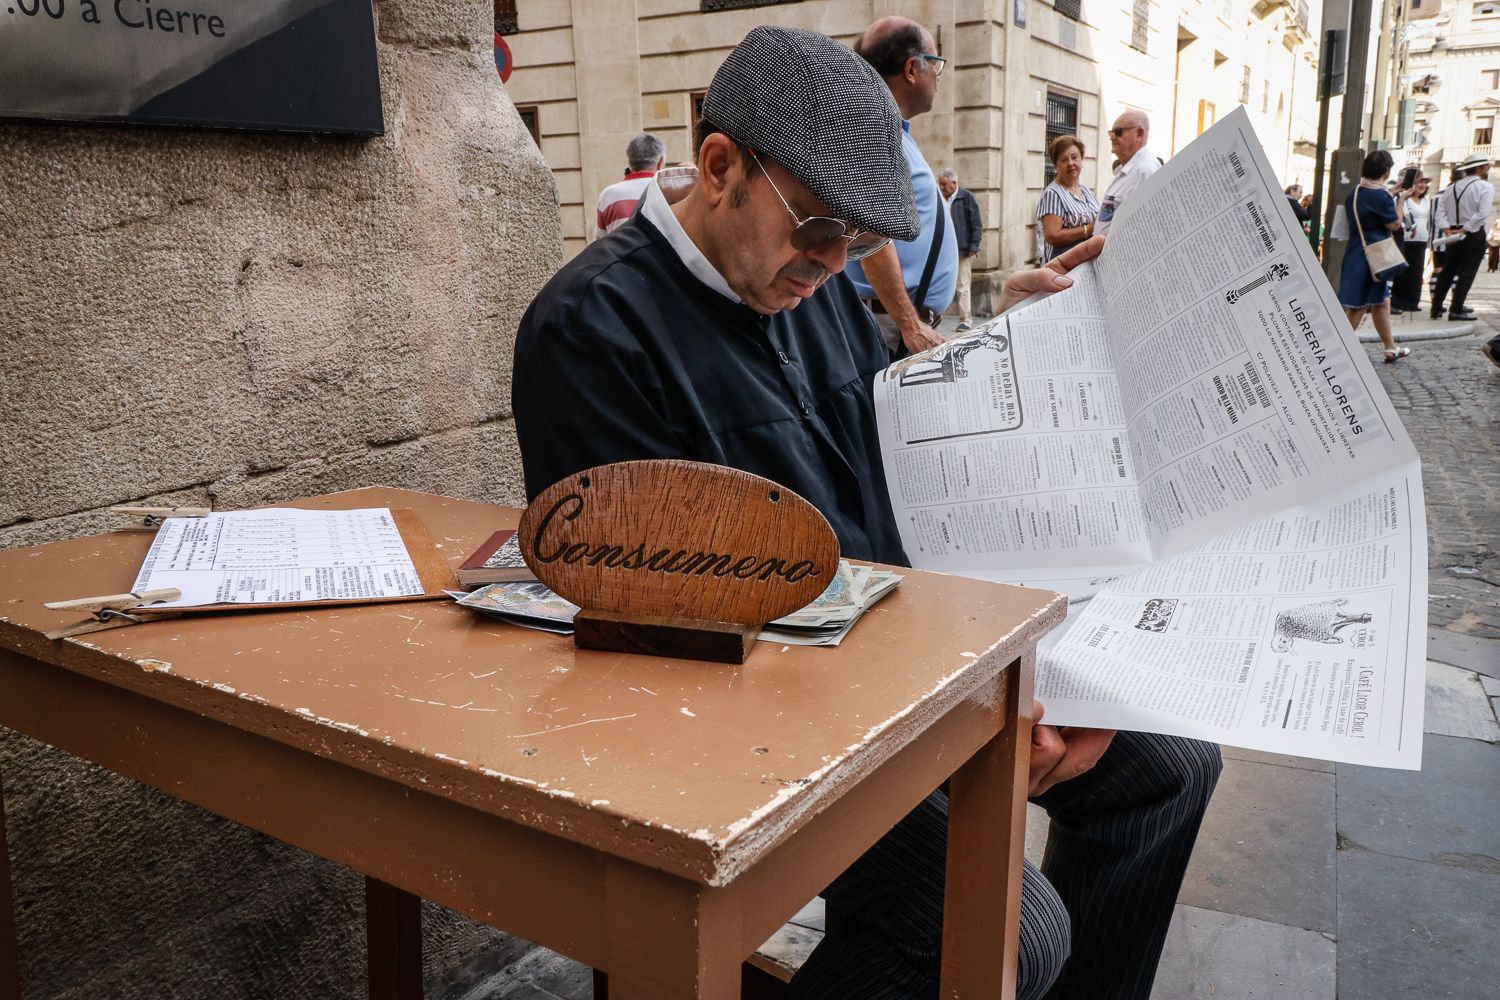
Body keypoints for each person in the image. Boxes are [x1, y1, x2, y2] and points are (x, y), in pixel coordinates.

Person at [512, 24, 1221, 1000]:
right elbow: (679, 634)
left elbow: (888, 443)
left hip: (897, 650)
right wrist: (970, 710)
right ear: (720, 166)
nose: (834, 261)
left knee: (1173, 766)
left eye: (857, 240)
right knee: (1005, 930)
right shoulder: (594, 329)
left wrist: (1001, 348)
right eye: (816, 229)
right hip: (749, 722)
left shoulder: (815, 288)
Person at [843, 17, 958, 356]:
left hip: (895, 324)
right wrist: (908, 323)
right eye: (935, 63)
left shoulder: (890, 131)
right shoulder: (875, 131)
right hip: (890, 327)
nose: (938, 76)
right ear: (911, 69)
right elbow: (870, 236)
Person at [1338, 149, 1411, 362]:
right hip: (1373, 258)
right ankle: (1338, 346)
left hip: (1356, 253)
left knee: (1380, 302)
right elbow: (1395, 224)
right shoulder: (1380, 195)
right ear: (1386, 171)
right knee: (1358, 306)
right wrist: (1400, 201)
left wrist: (1392, 193)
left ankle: (1390, 347)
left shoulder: (1356, 191)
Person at [1430, 152, 1495, 322]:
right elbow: (1482, 214)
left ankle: (1436, 307)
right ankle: (1456, 308)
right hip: (1472, 234)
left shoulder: (1451, 187)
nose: (1488, 168)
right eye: (1487, 166)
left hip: (1453, 233)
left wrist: (1447, 229)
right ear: (1481, 168)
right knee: (1467, 272)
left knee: (1447, 270)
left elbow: (1440, 212)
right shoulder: (1485, 187)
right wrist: (1465, 230)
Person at [1036, 134, 1100, 264]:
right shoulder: (1053, 193)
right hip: (1062, 269)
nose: (1070, 163)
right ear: (1056, 165)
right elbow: (1052, 235)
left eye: (1074, 157)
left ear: (1081, 160)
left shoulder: (1087, 191)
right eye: (1064, 160)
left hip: (1087, 265)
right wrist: (1088, 229)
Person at [1095, 110, 1158, 235]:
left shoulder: (1144, 172)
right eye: (1111, 133)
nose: (1112, 137)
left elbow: (1142, 228)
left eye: (1118, 132)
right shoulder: (1128, 169)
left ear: (1139, 134)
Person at [592, 132, 666, 239]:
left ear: (630, 162)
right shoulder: (667, 191)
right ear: (661, 161)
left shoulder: (608, 195)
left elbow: (600, 243)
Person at [938, 167, 983, 331]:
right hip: (943, 250)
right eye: (940, 184)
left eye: (944, 184)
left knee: (962, 284)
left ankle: (966, 320)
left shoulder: (966, 197)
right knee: (940, 283)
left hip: (962, 249)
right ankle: (935, 317)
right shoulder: (939, 199)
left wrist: (974, 245)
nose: (941, 188)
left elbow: (976, 223)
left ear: (954, 183)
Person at [1391, 173, 1430, 314]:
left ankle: (1413, 301)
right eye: (1420, 182)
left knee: (1416, 271)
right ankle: (1399, 301)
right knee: (1403, 271)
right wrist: (1411, 227)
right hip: (1406, 238)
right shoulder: (1404, 199)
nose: (1422, 185)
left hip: (1421, 239)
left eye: (1424, 183)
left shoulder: (1426, 201)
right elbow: (1405, 215)